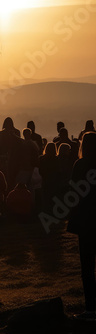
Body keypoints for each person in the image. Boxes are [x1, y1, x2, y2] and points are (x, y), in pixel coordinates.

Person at [67, 132, 96, 320]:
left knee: (87, 266)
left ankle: (91, 308)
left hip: (86, 220)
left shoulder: (80, 165)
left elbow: (74, 192)